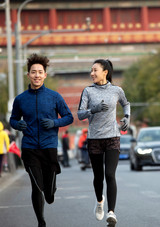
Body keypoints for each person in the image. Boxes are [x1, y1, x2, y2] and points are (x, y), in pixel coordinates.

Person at [10, 53, 74, 227]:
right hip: (30, 147)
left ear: (45, 74)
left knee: (49, 192)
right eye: (33, 72)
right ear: (28, 74)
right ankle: (41, 222)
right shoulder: (21, 99)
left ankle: (51, 191)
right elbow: (13, 119)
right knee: (36, 187)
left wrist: (55, 122)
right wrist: (18, 124)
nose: (37, 75)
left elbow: (68, 117)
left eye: (40, 72)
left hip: (49, 146)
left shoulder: (54, 97)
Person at [77, 59, 130, 226]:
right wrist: (93, 110)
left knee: (110, 175)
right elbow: (79, 114)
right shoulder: (88, 91)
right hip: (94, 139)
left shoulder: (116, 90)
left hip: (113, 137)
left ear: (105, 72)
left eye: (95, 70)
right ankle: (100, 201)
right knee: (98, 177)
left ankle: (111, 212)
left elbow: (126, 104)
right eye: (91, 70)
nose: (92, 73)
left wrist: (127, 117)